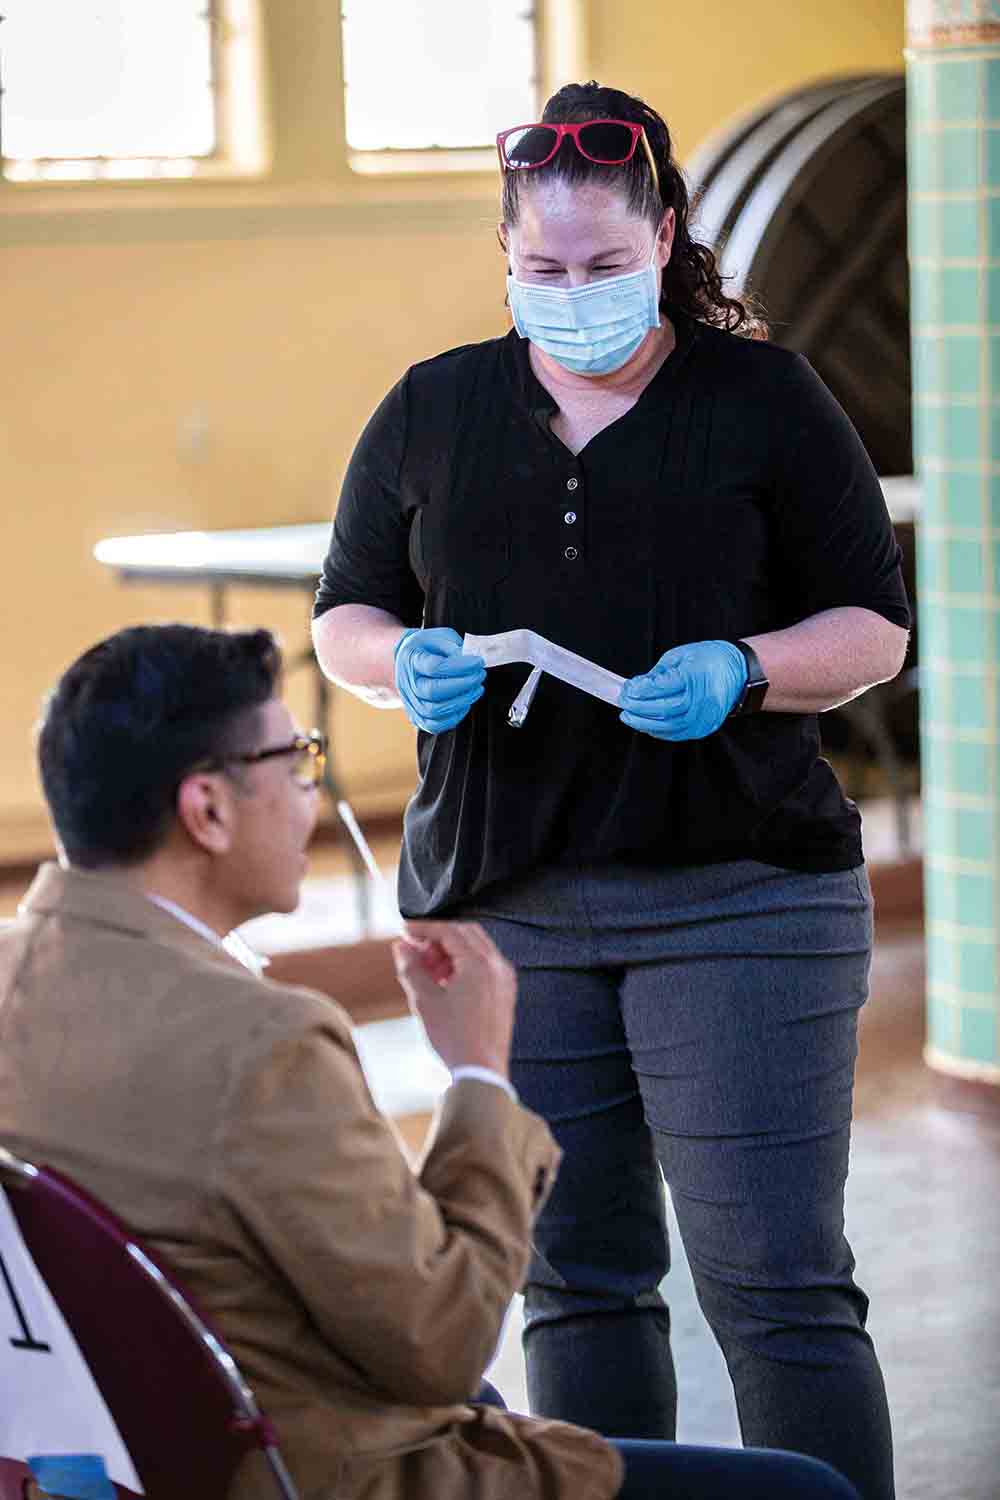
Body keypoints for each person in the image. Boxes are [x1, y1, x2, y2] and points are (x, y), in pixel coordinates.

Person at [311, 80, 909, 1500]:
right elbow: (347, 614)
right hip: (508, 909)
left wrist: (747, 668)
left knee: (776, 1283)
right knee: (572, 1281)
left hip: (741, 897)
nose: (572, 293)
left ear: (665, 242)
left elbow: (873, 631)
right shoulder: (434, 406)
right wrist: (405, 663)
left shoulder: (762, 399)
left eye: (603, 267)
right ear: (505, 258)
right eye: (543, 269)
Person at [0, 623, 860, 1500]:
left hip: (108, 1468)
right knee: (806, 1490)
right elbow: (438, 1348)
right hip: (301, 1469)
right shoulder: (261, 1041)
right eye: (295, 759)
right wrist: (480, 1076)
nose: (311, 789)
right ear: (208, 810)